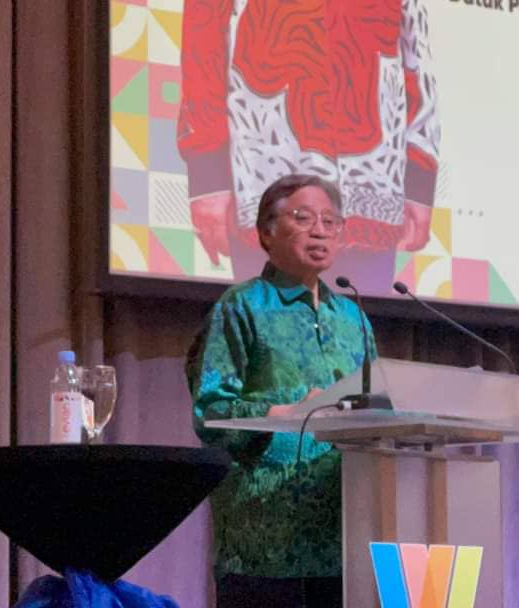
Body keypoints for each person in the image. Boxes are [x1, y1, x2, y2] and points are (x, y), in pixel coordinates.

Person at [185, 174, 378, 607]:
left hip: (343, 539)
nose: (320, 230)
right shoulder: (243, 305)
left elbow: (374, 407)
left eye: (330, 221)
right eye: (303, 218)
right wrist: (284, 413)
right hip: (264, 540)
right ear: (266, 232)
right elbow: (210, 412)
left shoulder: (353, 319)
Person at [178, 0, 441, 291]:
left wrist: (420, 176)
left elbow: (416, 44)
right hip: (267, 168)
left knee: (361, 317)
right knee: (267, 315)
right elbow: (204, 34)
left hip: (373, 181)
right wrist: (207, 173)